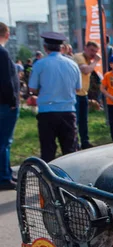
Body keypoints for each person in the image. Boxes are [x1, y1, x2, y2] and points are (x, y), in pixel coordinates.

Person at [28, 32, 81, 162]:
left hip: (47, 111)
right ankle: (69, 179)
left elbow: (32, 88)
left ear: (45, 47)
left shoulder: (40, 64)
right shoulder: (72, 64)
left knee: (48, 151)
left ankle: (47, 180)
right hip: (68, 111)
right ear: (61, 47)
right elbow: (78, 88)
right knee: (70, 152)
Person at [0, 23, 20, 191]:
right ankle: (4, 177)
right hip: (5, 105)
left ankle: (6, 171)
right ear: (6, 34)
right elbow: (7, 81)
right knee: (4, 142)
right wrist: (13, 101)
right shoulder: (3, 53)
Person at [73, 41, 101, 149]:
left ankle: (85, 141)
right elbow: (85, 70)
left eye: (95, 51)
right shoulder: (79, 57)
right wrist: (96, 61)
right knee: (76, 120)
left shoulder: (89, 60)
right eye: (91, 50)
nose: (93, 53)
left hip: (83, 93)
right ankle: (75, 143)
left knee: (84, 120)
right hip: (75, 93)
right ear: (85, 48)